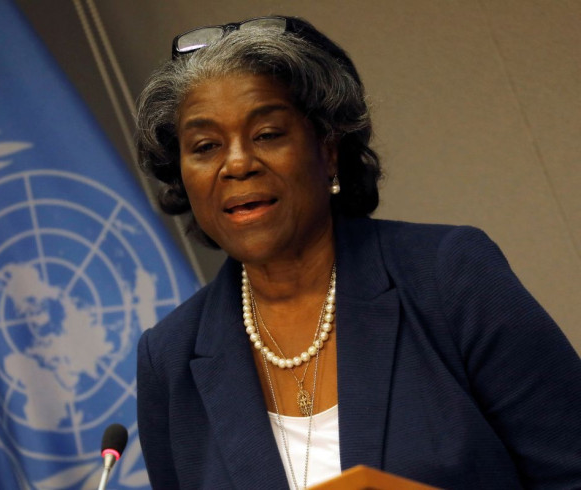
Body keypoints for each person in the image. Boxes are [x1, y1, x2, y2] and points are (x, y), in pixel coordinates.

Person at [134, 15, 581, 490]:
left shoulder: (450, 275)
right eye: (205, 146)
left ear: (328, 150)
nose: (238, 163)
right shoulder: (169, 358)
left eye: (267, 134)